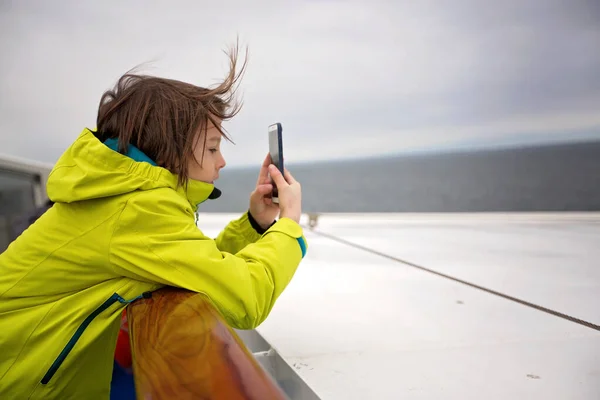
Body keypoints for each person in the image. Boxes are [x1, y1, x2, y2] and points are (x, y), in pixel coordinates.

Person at [0, 44, 307, 399]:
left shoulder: (123, 195)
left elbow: (197, 266)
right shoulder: (137, 209)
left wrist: (254, 223)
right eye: (211, 148)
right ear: (170, 152)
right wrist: (289, 225)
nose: (221, 161)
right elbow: (246, 298)